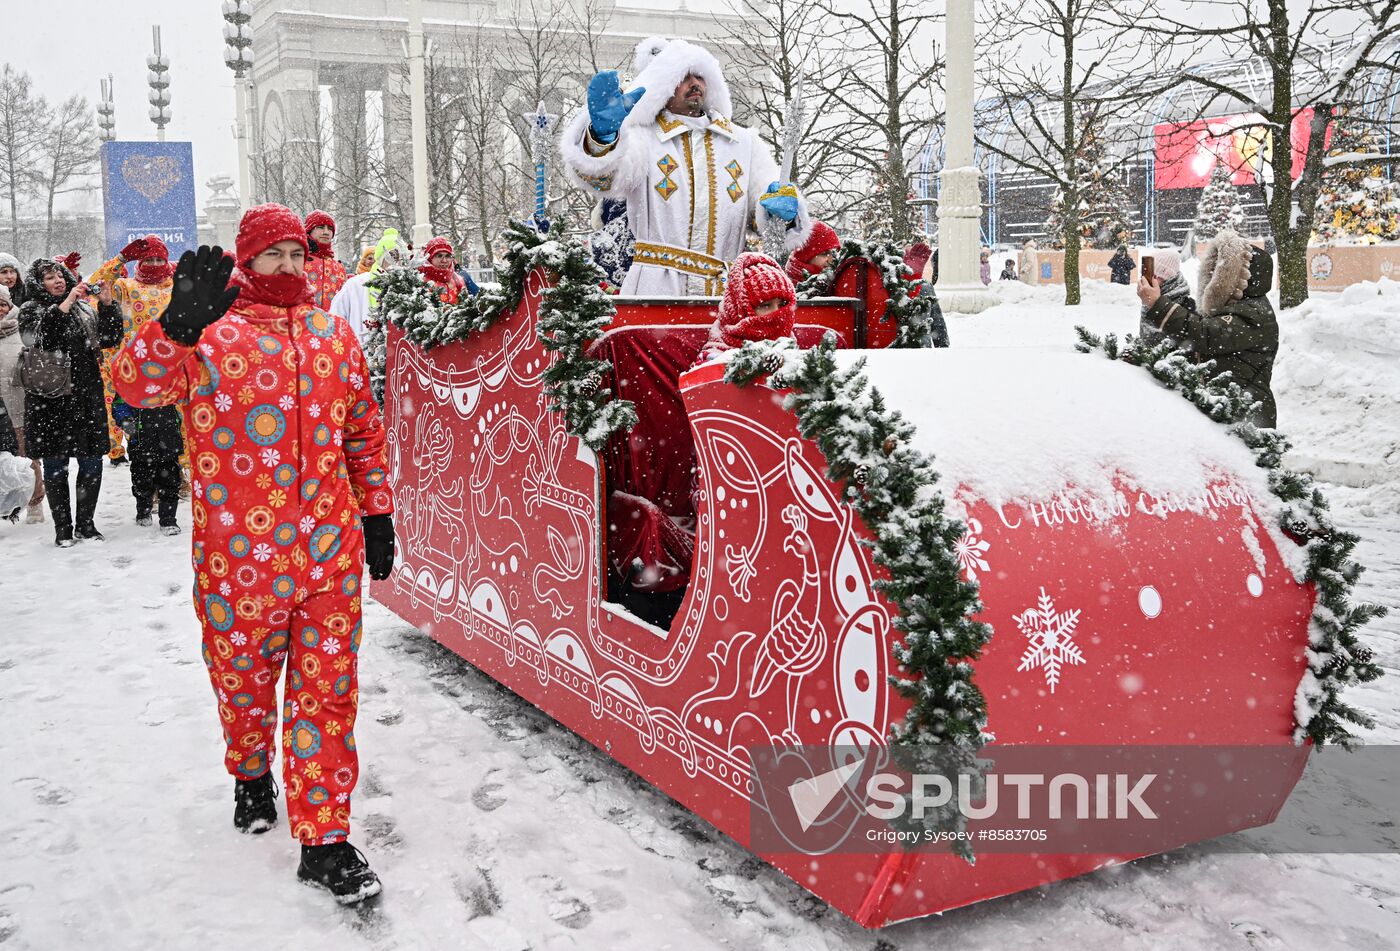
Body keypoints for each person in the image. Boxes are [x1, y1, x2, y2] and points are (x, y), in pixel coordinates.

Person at [111, 204, 396, 904]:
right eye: (275, 256)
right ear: (247, 260)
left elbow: (362, 431)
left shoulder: (333, 335)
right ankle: (248, 771)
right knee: (242, 685)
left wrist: (378, 511)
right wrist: (176, 327)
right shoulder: (209, 335)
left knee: (326, 694)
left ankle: (324, 838)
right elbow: (131, 387)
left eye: (299, 255)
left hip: (328, 554)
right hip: (239, 559)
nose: (292, 268)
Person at [561, 36, 809, 296]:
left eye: (700, 77)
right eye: (683, 77)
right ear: (663, 86)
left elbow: (767, 216)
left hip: (726, 294)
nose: (694, 84)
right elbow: (604, 178)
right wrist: (602, 138)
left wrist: (782, 214)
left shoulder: (745, 142)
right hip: (655, 291)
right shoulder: (643, 137)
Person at [18, 259, 122, 546]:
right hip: (50, 400)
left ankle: (86, 525)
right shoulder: (30, 310)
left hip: (86, 396)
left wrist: (108, 304)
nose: (58, 281)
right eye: (50, 278)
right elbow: (42, 339)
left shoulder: (83, 307)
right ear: (39, 284)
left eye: (60, 276)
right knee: (56, 465)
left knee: (92, 462)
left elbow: (110, 338)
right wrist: (65, 304)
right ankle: (63, 528)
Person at [1137, 230, 1279, 427]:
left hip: (1249, 417)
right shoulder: (1234, 308)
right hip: (1232, 410)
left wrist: (1158, 305)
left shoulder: (1252, 313)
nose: (1214, 277)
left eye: (1220, 272)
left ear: (1238, 276)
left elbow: (1206, 335)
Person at [87, 235, 178, 467]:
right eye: (149, 260)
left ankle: (177, 472)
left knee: (175, 423)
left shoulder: (177, 285)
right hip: (132, 367)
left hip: (171, 366)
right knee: (136, 425)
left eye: (160, 259)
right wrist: (120, 259)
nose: (155, 265)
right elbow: (96, 285)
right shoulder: (126, 287)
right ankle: (140, 472)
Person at [699, 251, 796, 363]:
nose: (777, 312)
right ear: (740, 310)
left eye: (782, 304)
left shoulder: (797, 357)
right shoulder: (714, 359)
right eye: (765, 305)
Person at [0, 284, 44, 522]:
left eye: (2, 304)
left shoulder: (22, 329)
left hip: (20, 405)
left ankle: (35, 502)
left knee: (27, 455)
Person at [1136, 248, 1194, 348]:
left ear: (1167, 277)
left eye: (1153, 275)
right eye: (1145, 275)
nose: (1145, 280)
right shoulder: (1148, 302)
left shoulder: (1188, 307)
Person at [305, 210, 349, 310]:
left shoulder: (338, 267)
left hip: (333, 323)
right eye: (320, 227)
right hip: (302, 322)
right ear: (309, 230)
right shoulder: (298, 261)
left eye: (330, 228)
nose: (326, 232)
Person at [418, 236, 468, 304]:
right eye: (439, 256)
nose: (444, 260)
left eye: (447, 256)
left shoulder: (459, 280)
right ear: (429, 259)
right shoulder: (420, 282)